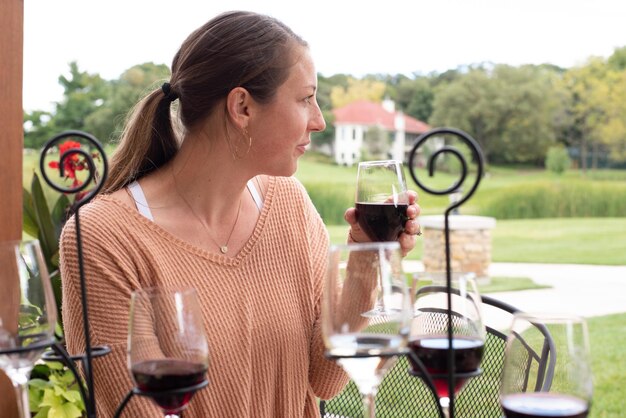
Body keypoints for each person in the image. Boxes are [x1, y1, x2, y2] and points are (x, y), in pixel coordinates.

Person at [59, 10, 421, 417]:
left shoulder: (289, 204)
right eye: (305, 99)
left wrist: (365, 262)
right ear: (242, 107)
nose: (319, 121)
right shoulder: (103, 236)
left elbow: (326, 379)